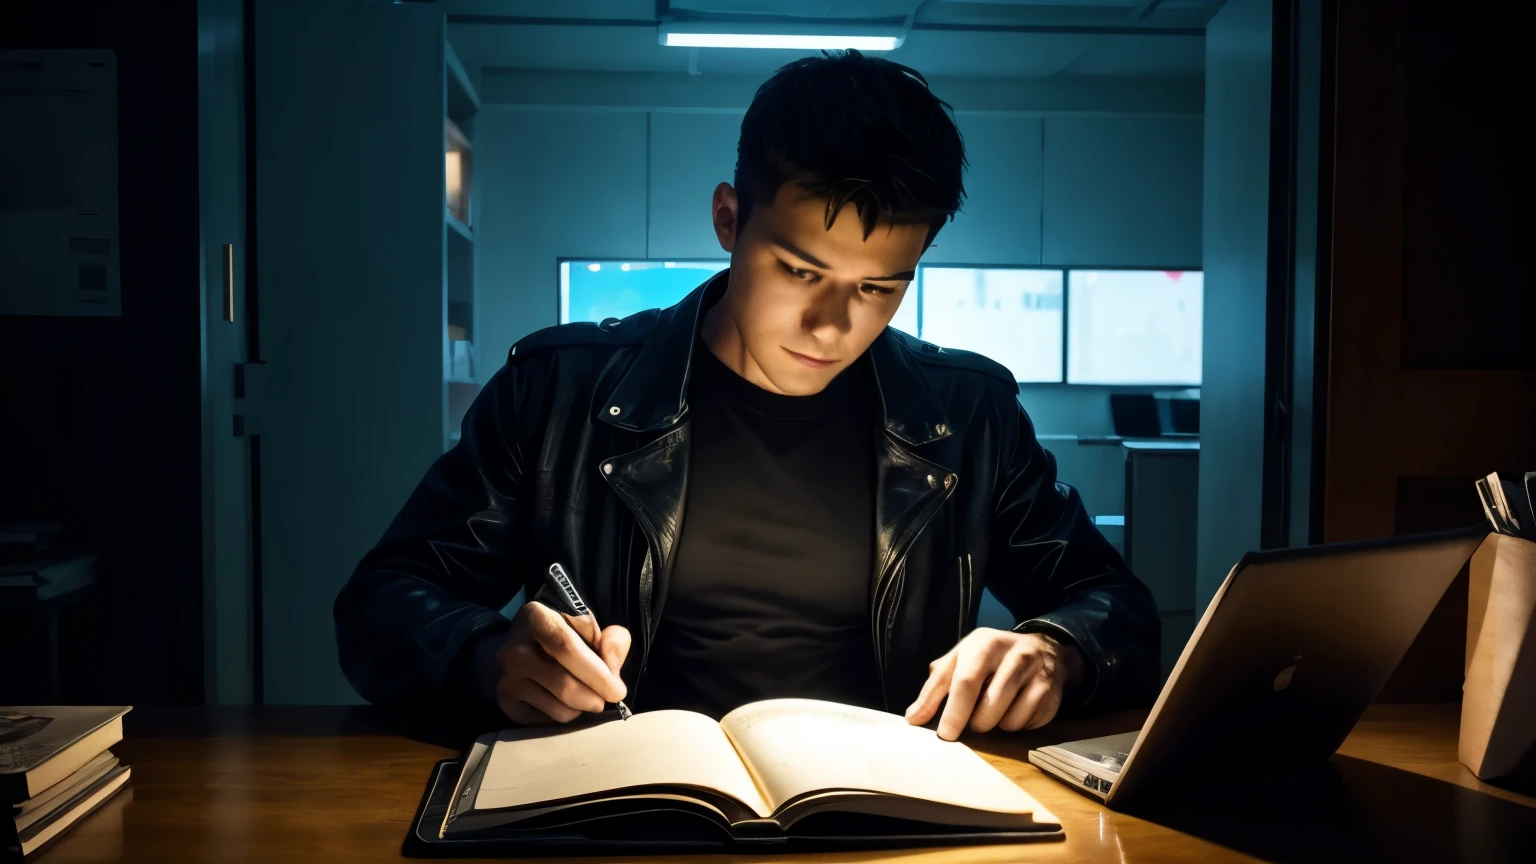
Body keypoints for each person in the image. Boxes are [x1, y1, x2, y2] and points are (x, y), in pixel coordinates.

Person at [334, 50, 1159, 742]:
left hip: (885, 811)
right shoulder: (559, 391)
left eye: (877, 287)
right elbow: (383, 603)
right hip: (627, 802)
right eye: (800, 271)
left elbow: (1116, 607)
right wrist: (484, 655)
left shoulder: (969, 414)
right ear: (729, 220)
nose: (833, 325)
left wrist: (1059, 648)